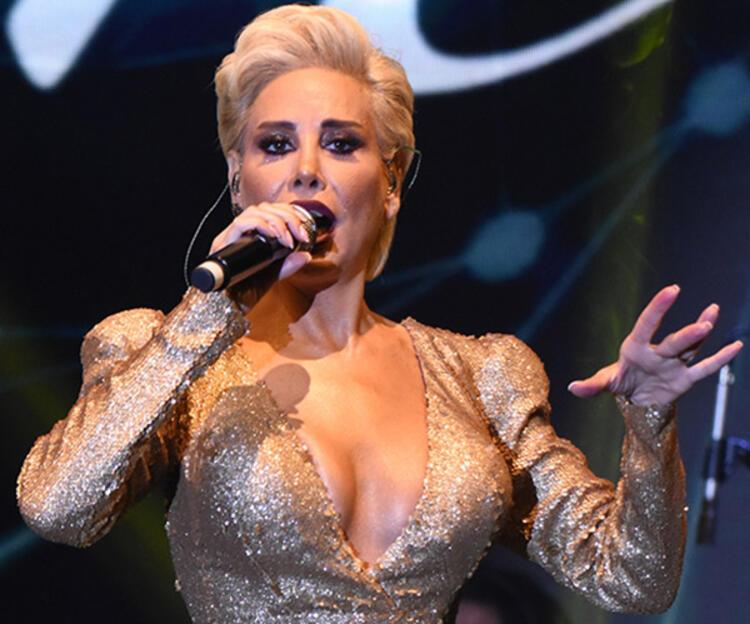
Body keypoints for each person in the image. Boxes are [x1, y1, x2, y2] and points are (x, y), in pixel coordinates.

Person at [16, 5, 742, 623]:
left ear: (390, 181)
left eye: (341, 143)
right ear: (239, 182)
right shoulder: (160, 351)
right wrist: (208, 314)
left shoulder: (482, 375)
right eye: (275, 145)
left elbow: (632, 581)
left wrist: (650, 425)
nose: (306, 169)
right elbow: (59, 508)